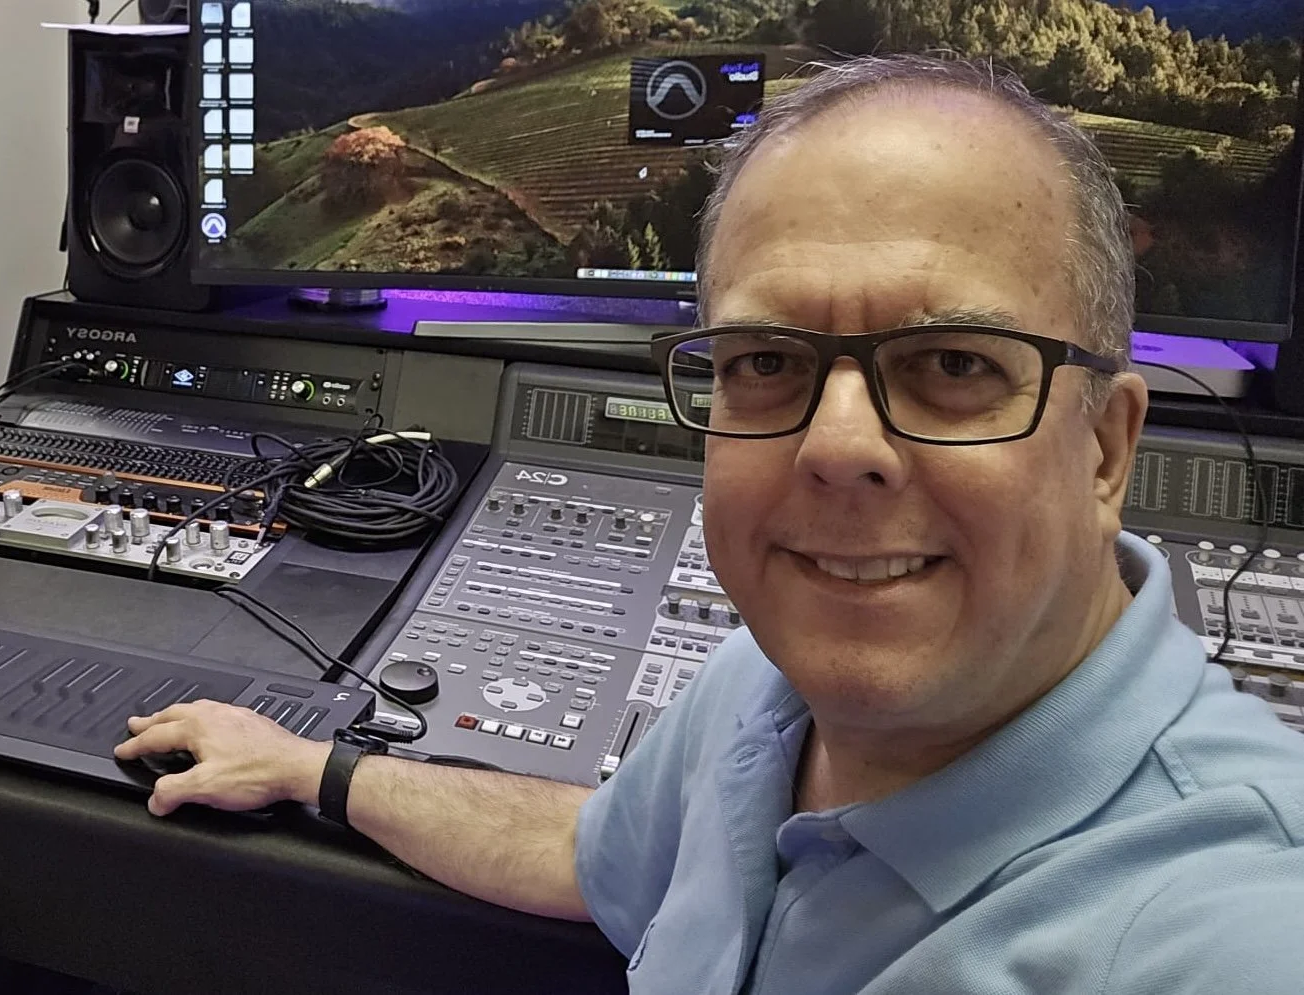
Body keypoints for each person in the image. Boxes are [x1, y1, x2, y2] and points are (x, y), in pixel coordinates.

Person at [115, 55, 1304, 992]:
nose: (839, 445)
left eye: (952, 362)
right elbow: (595, 849)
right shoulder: (763, 686)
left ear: (1105, 444)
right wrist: (322, 770)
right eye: (766, 360)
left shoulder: (1230, 928)